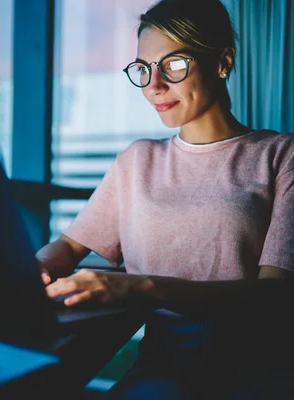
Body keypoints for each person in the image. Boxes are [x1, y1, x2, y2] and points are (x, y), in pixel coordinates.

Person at [37, 0, 294, 398]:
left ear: (222, 61)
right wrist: (37, 266)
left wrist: (143, 288)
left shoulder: (279, 156)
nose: (154, 85)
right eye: (144, 69)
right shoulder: (138, 160)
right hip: (162, 366)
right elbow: (69, 246)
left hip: (258, 371)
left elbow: (276, 294)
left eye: (173, 65)